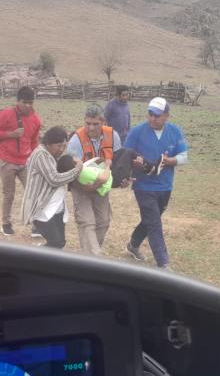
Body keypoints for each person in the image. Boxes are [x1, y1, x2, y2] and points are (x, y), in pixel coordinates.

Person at [124, 97, 188, 270]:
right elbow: (125, 154)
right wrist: (134, 163)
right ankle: (163, 263)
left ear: (167, 115)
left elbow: (184, 156)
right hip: (143, 185)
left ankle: (133, 245)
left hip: (165, 185)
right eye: (150, 114)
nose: (153, 118)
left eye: (157, 115)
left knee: (151, 219)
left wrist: (170, 161)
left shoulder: (175, 131)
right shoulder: (137, 132)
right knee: (154, 223)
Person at [66, 104, 122, 255]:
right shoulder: (76, 140)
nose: (91, 128)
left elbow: (118, 161)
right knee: (87, 222)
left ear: (103, 122)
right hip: (81, 186)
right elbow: (71, 172)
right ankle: (93, 257)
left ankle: (89, 256)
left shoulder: (113, 136)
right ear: (84, 120)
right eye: (88, 123)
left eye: (95, 124)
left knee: (103, 221)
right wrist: (85, 187)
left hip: (101, 186)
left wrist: (121, 179)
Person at [0, 86, 42, 236]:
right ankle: (6, 223)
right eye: (25, 102)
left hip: (25, 162)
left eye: (31, 102)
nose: (28, 106)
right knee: (9, 194)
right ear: (18, 101)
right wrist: (11, 134)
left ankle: (36, 224)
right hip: (7, 160)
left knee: (33, 192)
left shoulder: (36, 119)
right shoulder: (6, 114)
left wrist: (35, 159)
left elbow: (34, 141)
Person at [21, 127, 82, 249]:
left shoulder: (51, 154)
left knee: (59, 243)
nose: (61, 149)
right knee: (56, 243)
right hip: (41, 208)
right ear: (48, 143)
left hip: (56, 207)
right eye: (58, 146)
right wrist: (77, 170)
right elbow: (54, 179)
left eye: (64, 146)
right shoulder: (41, 155)